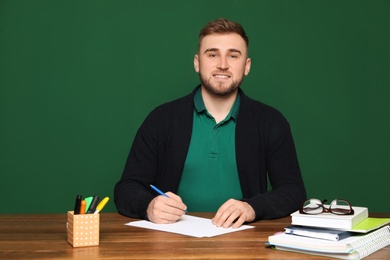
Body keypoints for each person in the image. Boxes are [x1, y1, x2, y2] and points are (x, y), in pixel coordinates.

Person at [114, 18, 306, 228]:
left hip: (244, 243)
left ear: (247, 66)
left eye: (233, 55)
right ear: (197, 62)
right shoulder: (161, 119)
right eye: (212, 54)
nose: (222, 64)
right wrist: (149, 206)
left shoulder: (271, 122)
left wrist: (252, 208)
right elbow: (126, 188)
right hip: (170, 242)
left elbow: (293, 191)